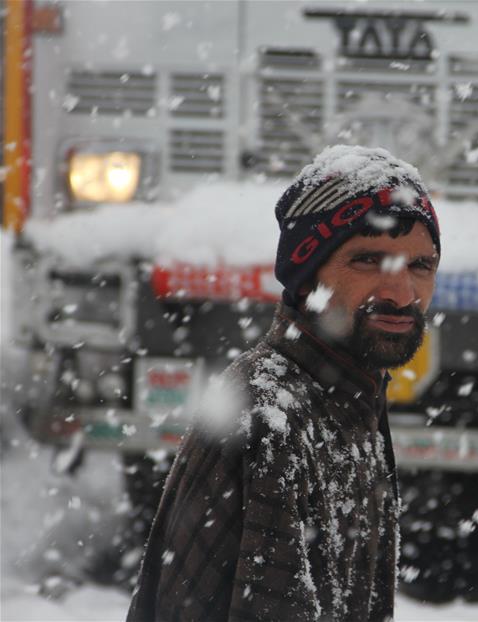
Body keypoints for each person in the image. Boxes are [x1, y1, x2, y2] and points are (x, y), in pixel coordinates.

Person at [127, 145, 441, 621]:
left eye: (420, 265)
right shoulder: (271, 417)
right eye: (368, 260)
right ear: (306, 273)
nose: (402, 294)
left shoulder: (348, 397)